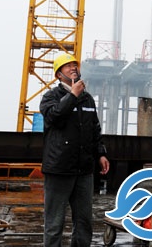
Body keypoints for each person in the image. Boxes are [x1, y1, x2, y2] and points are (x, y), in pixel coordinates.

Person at [40, 53, 110, 247]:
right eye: (67, 66)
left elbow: (94, 129)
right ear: (58, 75)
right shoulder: (50, 97)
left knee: (84, 222)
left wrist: (101, 153)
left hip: (84, 170)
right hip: (59, 169)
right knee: (54, 223)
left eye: (74, 65)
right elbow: (54, 117)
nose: (73, 68)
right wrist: (72, 95)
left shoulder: (87, 99)